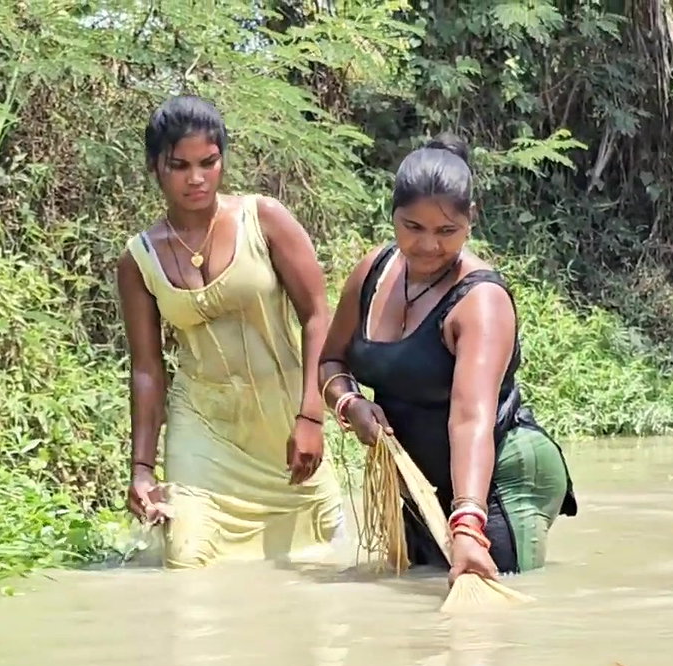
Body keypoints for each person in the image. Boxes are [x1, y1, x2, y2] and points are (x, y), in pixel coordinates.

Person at [318, 133, 577, 585]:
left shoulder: (480, 301)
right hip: (418, 478)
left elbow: (471, 418)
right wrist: (350, 405)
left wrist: (469, 524)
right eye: (412, 227)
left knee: (487, 616)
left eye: (446, 232)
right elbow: (330, 362)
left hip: (498, 478)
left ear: (470, 221)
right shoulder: (372, 272)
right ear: (392, 214)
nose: (427, 247)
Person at [114, 94, 344, 569]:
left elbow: (318, 315)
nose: (196, 178)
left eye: (208, 162)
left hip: (284, 431)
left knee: (323, 559)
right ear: (155, 167)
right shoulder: (139, 259)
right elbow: (147, 369)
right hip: (204, 432)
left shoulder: (264, 220)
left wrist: (311, 417)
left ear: (223, 159)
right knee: (187, 560)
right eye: (179, 165)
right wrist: (141, 467)